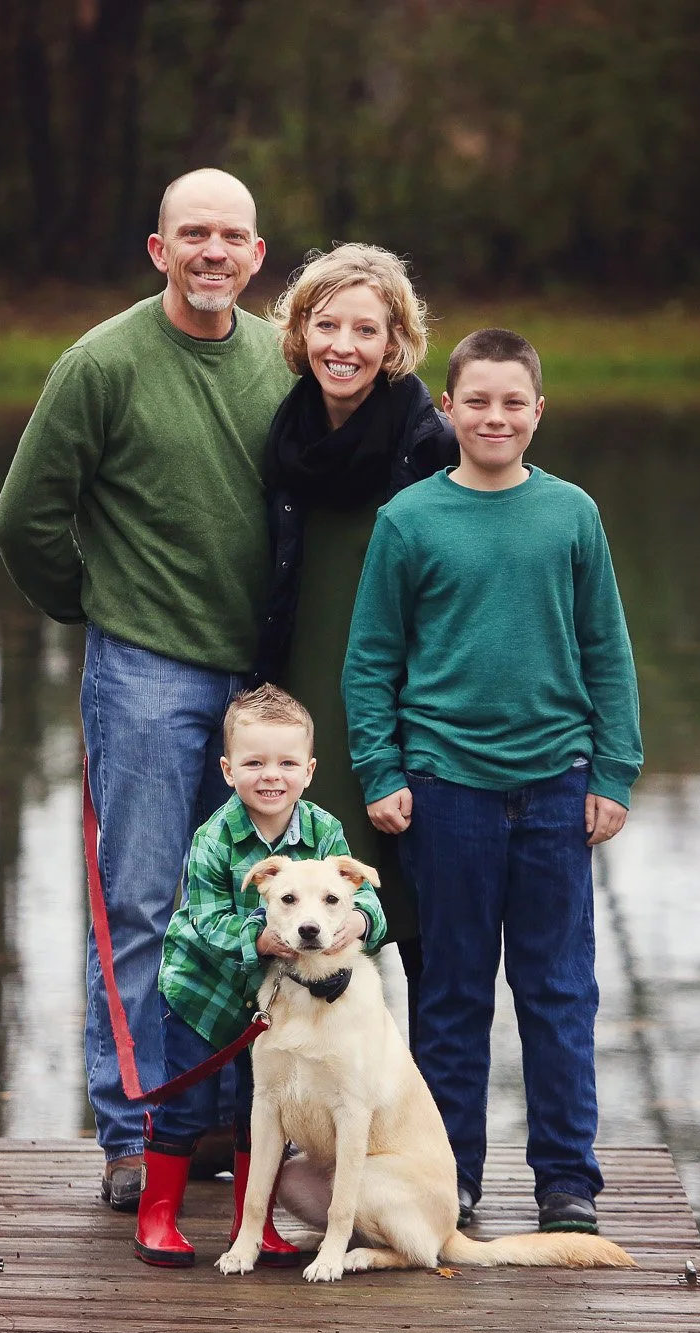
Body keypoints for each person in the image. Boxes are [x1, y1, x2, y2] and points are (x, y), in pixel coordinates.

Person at [0, 168, 294, 1212]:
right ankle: (132, 1134)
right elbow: (25, 517)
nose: (214, 253)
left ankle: (216, 1122)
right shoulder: (102, 364)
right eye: (192, 235)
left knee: (251, 903)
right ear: (158, 250)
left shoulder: (279, 360)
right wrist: (98, 605)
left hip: (262, 688)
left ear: (257, 258)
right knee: (140, 905)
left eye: (233, 238)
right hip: (146, 676)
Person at [341, 327, 643, 1237]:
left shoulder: (571, 514)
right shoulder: (410, 520)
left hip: (557, 786)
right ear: (448, 408)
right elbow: (372, 659)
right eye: (477, 400)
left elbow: (608, 650)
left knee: (559, 990)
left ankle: (566, 1182)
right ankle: (453, 1175)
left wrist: (615, 769)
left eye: (513, 402)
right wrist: (381, 767)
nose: (495, 416)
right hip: (446, 790)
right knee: (454, 991)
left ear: (538, 411)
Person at [253, 243, 455, 1046]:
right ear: (300, 331)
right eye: (325, 323)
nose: (343, 344)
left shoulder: (429, 442)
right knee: (311, 922)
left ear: (394, 339)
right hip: (303, 692)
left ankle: (436, 1135)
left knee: (417, 918)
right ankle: (304, 1129)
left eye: (365, 329)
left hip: (404, 702)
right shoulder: (287, 428)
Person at [135, 684, 389, 1267]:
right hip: (205, 993)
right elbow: (205, 920)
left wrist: (360, 924)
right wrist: (261, 938)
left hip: (280, 1006)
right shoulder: (213, 838)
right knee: (189, 1107)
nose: (270, 775)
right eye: (253, 763)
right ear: (227, 770)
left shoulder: (324, 833)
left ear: (309, 770)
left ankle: (253, 1228)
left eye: (286, 763)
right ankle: (158, 1216)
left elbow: (361, 896)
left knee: (265, 1106)